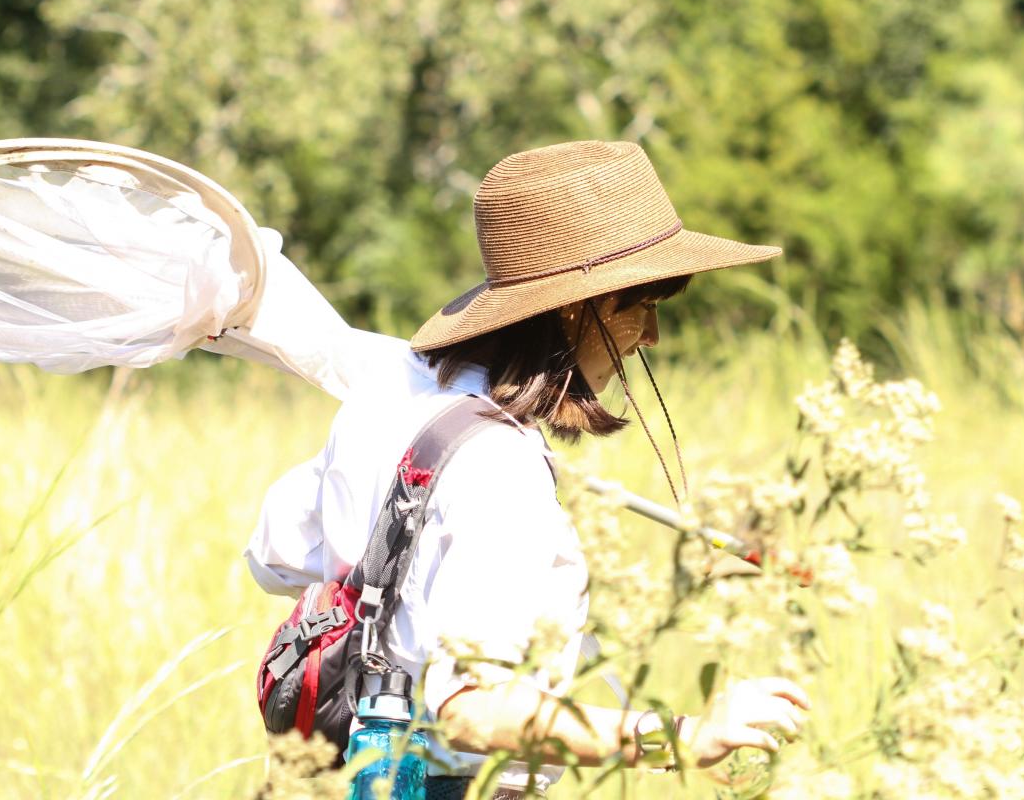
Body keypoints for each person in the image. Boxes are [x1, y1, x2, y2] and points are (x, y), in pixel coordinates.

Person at [246, 140, 809, 797]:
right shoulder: (500, 468)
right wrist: (686, 738)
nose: (652, 336)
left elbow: (275, 555)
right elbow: (475, 712)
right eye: (643, 305)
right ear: (576, 307)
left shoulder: (397, 394)